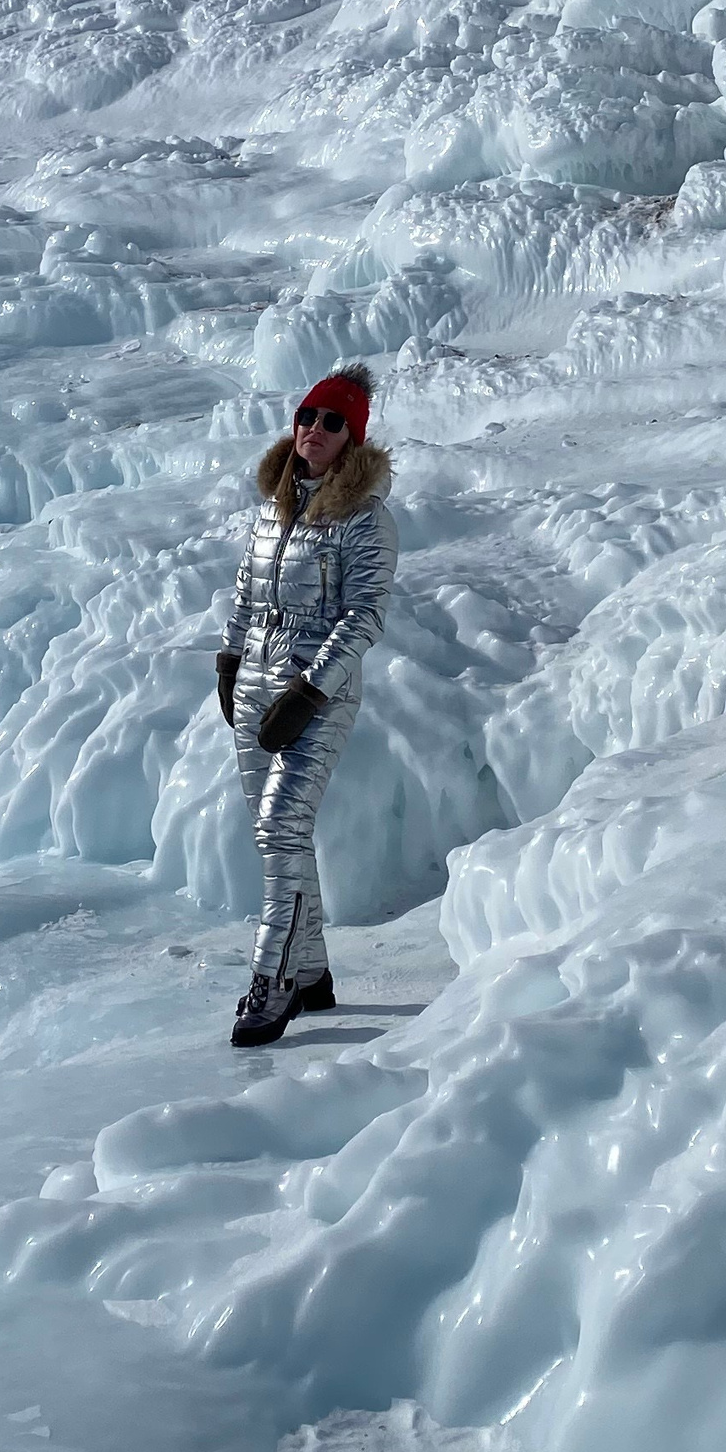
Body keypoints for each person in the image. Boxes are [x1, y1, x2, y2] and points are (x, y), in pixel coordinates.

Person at [213, 363, 397, 1048]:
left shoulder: (365, 519)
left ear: (353, 438)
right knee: (274, 838)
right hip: (257, 688)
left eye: (332, 421)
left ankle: (274, 980)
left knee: (281, 828)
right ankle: (313, 970)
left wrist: (311, 689)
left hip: (317, 695)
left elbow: (363, 617)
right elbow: (246, 594)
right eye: (307, 416)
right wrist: (230, 659)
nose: (314, 429)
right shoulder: (274, 508)